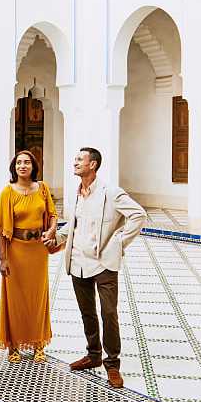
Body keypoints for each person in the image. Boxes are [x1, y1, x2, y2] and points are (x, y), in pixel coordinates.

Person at [47, 147, 145, 388]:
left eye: (80, 159)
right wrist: (58, 238)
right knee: (87, 311)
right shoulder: (78, 192)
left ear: (93, 164)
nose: (75, 162)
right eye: (76, 158)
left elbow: (138, 215)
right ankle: (93, 355)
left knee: (109, 313)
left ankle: (112, 364)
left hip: (104, 263)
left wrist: (119, 242)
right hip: (78, 260)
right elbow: (75, 223)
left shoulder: (110, 192)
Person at [0, 150, 57, 364]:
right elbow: (1, 230)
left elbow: (53, 214)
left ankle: (39, 344)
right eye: (19, 162)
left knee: (38, 298)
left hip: (38, 251)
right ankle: (14, 345)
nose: (23, 166)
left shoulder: (43, 189)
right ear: (14, 167)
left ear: (33, 166)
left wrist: (52, 230)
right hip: (16, 252)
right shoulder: (7, 192)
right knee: (15, 299)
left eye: (27, 162)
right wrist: (3, 259)